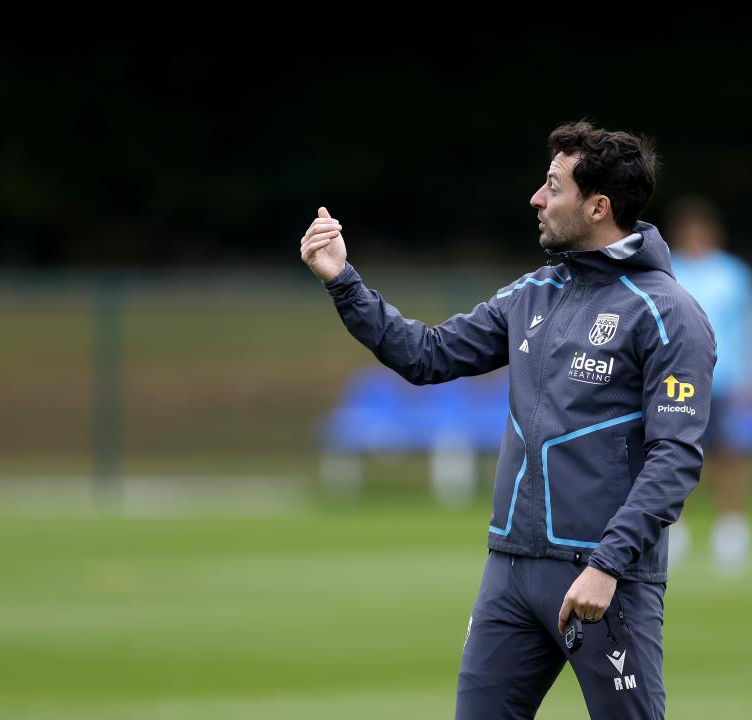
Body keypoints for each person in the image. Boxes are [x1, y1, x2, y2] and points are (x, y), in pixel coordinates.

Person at [302, 121, 715, 720]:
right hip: (511, 570)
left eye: (553, 186)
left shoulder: (669, 314)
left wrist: (607, 566)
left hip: (601, 580)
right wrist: (344, 281)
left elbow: (675, 458)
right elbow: (427, 355)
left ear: (598, 206)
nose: (536, 198)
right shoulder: (533, 293)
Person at [666, 195, 752, 577]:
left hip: (723, 378)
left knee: (727, 454)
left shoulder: (733, 273)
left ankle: (731, 530)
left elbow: (749, 327)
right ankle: (674, 529)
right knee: (672, 455)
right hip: (676, 379)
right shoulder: (667, 270)